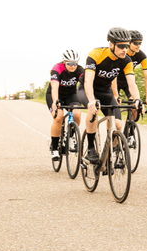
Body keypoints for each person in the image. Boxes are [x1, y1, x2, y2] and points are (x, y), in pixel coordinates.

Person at [78, 27, 141, 165]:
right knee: (93, 112)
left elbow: (132, 84)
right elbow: (88, 81)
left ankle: (110, 154)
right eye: (120, 46)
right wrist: (91, 101)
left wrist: (137, 99)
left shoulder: (126, 60)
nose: (124, 49)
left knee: (118, 124)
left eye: (126, 45)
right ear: (111, 44)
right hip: (88, 90)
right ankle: (90, 149)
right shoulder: (96, 54)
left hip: (105, 92)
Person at [48, 49, 85, 160]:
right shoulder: (57, 68)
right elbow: (54, 87)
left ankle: (71, 137)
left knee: (77, 113)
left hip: (71, 95)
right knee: (58, 117)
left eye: (75, 63)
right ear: (64, 61)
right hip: (55, 94)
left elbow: (86, 83)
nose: (73, 66)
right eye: (70, 63)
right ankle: (54, 148)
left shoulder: (80, 70)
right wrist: (55, 101)